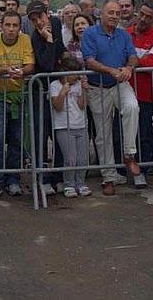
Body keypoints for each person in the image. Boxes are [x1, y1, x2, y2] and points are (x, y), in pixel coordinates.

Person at [82, 0, 140, 196]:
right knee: (103, 134)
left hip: (119, 84)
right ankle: (108, 177)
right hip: (97, 87)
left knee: (132, 107)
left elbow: (133, 55)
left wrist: (129, 68)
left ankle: (129, 154)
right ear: (101, 14)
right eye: (111, 12)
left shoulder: (123, 34)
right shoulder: (90, 34)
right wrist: (111, 70)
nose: (115, 16)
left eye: (117, 13)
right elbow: (89, 61)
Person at [0, 11, 35, 199]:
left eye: (15, 25)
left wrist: (23, 72)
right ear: (1, 26)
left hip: (19, 97)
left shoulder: (25, 40)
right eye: (8, 25)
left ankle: (13, 180)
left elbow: (30, 65)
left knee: (17, 140)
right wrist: (6, 70)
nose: (11, 29)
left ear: (20, 27)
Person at [27, 0, 67, 196]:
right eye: (34, 20)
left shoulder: (57, 25)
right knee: (41, 135)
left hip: (58, 88)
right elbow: (47, 65)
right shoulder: (35, 37)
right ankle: (42, 178)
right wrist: (49, 40)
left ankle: (59, 176)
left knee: (59, 133)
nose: (39, 22)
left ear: (47, 14)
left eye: (40, 17)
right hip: (40, 90)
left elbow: (62, 53)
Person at [127, 0, 153, 187]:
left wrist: (133, 60)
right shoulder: (125, 34)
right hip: (125, 92)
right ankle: (123, 170)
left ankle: (141, 171)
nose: (143, 18)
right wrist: (139, 58)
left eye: (148, 16)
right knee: (125, 134)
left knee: (144, 135)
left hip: (146, 94)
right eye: (141, 14)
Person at [49, 54, 92, 198]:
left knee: (82, 158)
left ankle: (81, 183)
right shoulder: (55, 85)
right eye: (72, 73)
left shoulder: (79, 84)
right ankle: (68, 184)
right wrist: (62, 93)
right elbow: (57, 107)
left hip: (81, 124)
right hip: (63, 126)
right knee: (70, 158)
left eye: (77, 73)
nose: (75, 76)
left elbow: (82, 105)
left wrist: (85, 90)